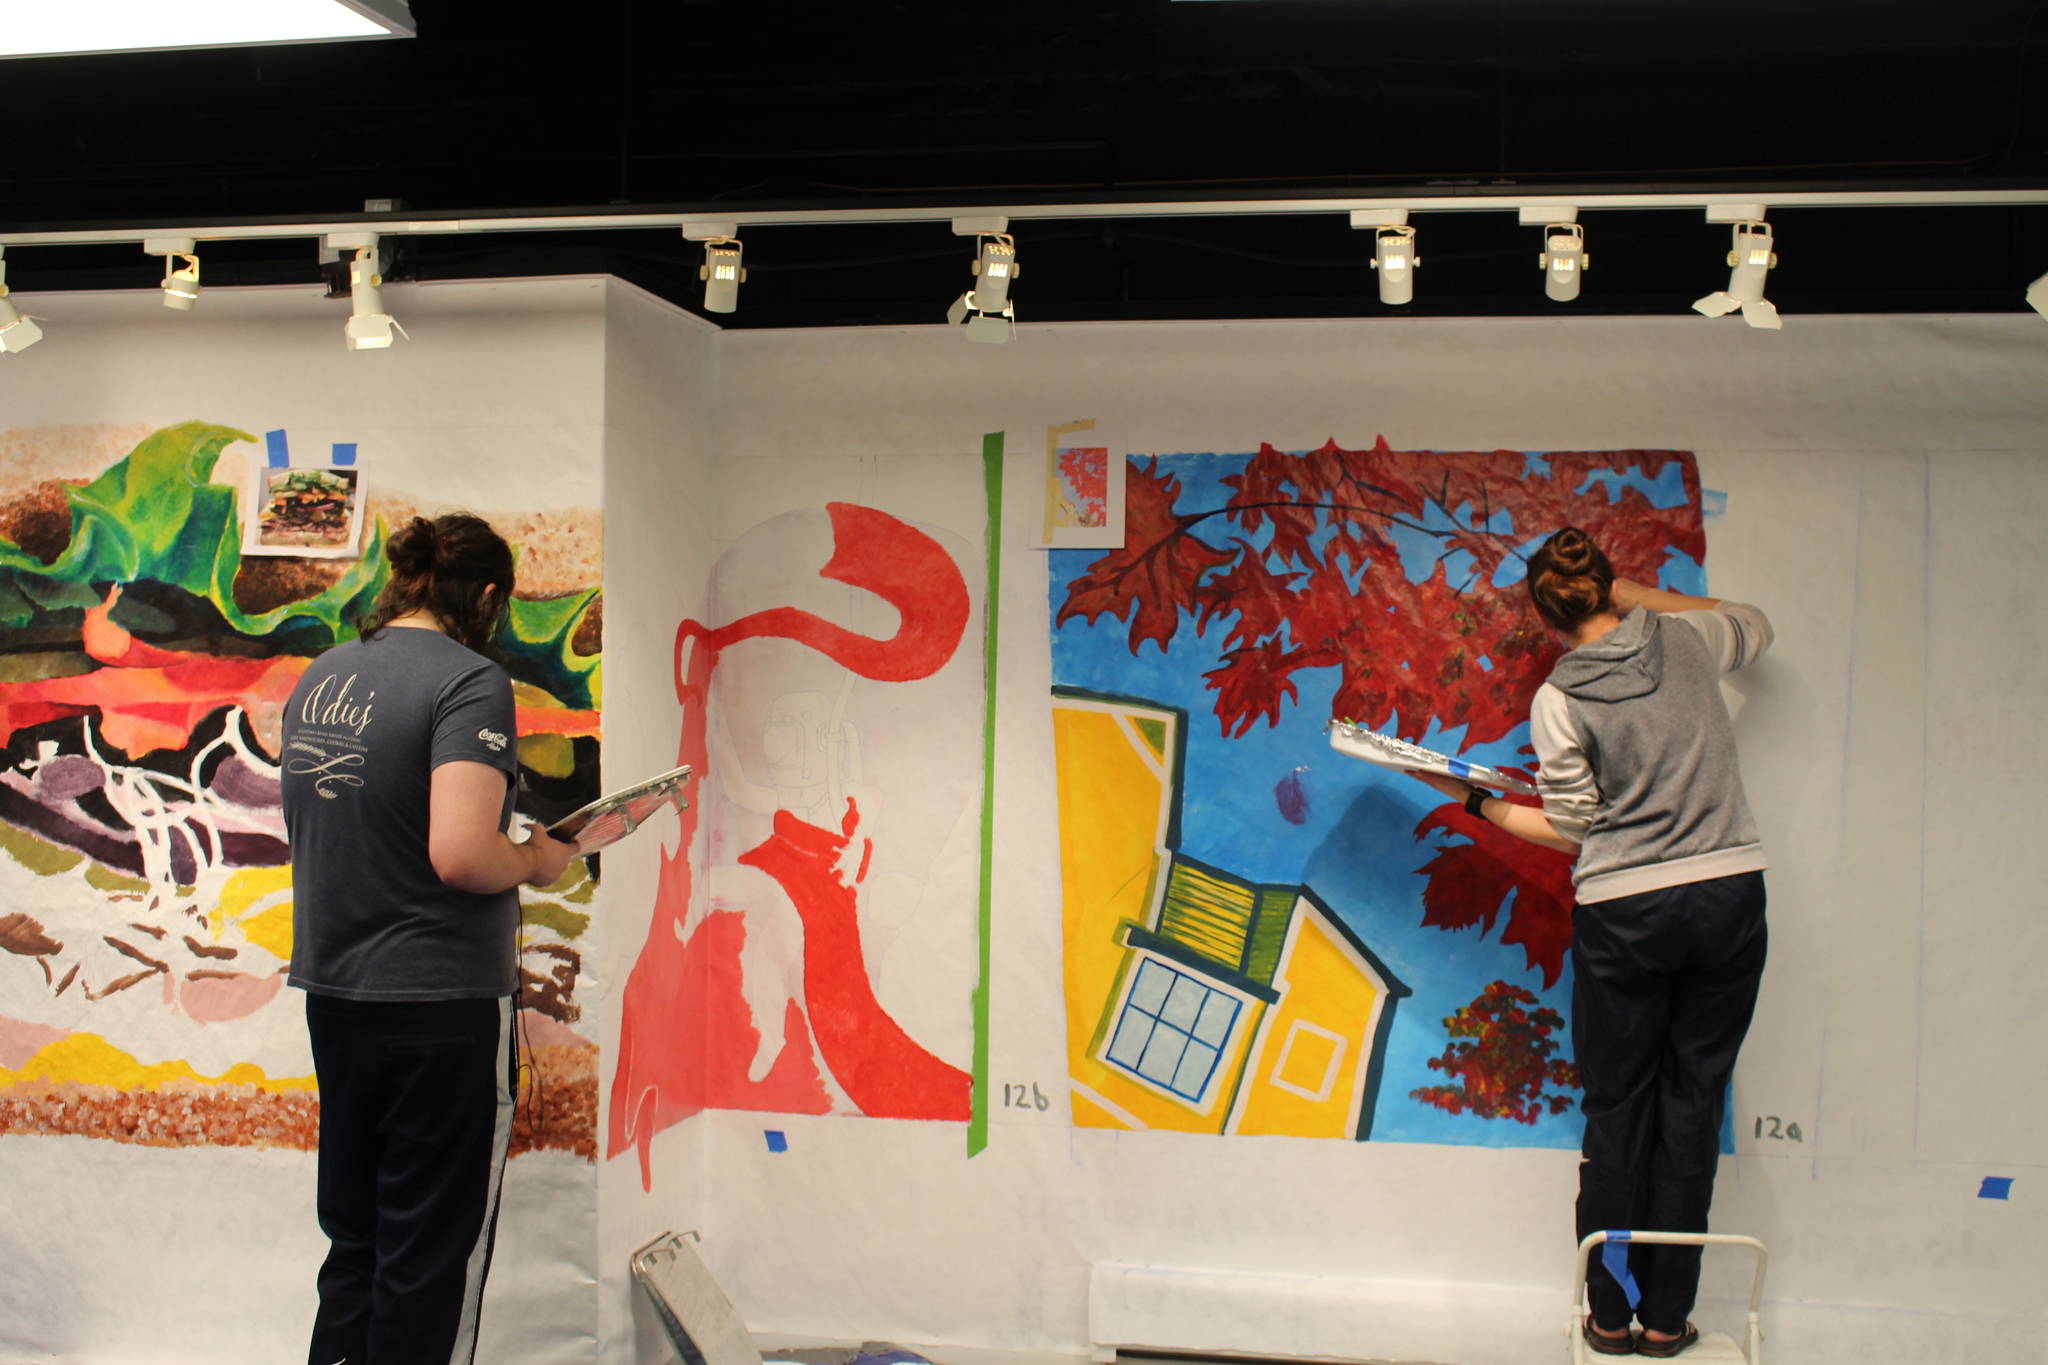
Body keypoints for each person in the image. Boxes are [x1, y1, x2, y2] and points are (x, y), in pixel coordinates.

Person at [1407, 526, 1773, 1359]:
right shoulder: (1687, 639)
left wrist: (1469, 799)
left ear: (1546, 619)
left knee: (1619, 1112)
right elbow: (1755, 621)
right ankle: (1668, 1321)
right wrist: (1640, 596)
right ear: (1612, 586)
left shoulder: (1559, 697)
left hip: (1628, 915)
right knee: (1693, 1105)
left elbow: (1575, 832)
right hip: (1727, 897)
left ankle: (1609, 1318)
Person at [280, 513, 578, 1365]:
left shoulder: (324, 675)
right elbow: (459, 852)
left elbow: (321, 826)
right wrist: (536, 856)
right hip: (437, 1006)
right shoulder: (469, 682)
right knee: (426, 1262)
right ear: (487, 596)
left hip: (336, 996)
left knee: (357, 1243)